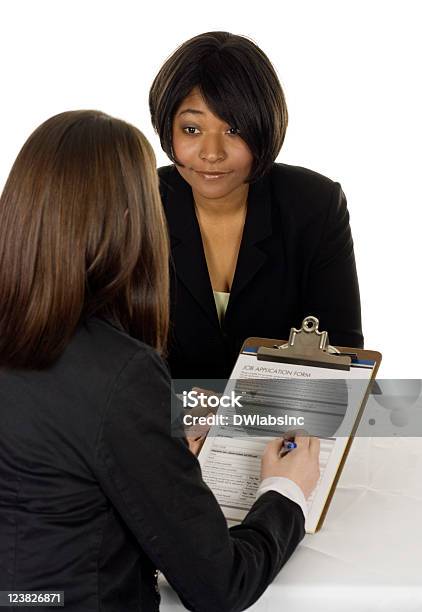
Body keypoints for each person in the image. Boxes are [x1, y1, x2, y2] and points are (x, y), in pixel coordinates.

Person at [0, 110, 320, 611]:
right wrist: (286, 491)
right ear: (130, 220)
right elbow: (219, 585)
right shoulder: (119, 373)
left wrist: (152, 453)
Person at [149, 31, 364, 380]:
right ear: (167, 127)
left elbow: (341, 355)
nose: (212, 153)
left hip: (278, 430)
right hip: (157, 429)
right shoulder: (137, 203)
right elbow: (109, 359)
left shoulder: (314, 205)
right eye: (191, 129)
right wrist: (178, 413)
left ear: (263, 126)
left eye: (233, 129)